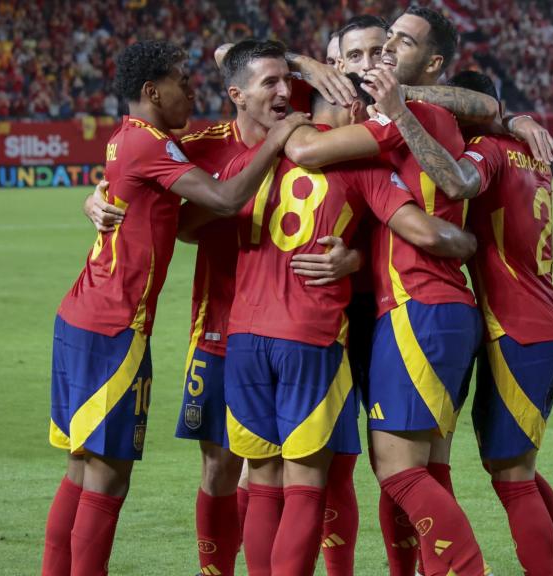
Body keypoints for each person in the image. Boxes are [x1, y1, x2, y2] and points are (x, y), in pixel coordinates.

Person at [84, 39, 363, 576]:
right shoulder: (206, 144)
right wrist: (97, 196)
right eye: (272, 82)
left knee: (315, 471)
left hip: (305, 328)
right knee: (221, 467)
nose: (284, 91)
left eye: (290, 81)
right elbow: (137, 175)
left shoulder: (318, 139)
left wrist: (352, 258)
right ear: (238, 95)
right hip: (219, 328)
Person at [41, 40, 308, 576]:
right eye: (182, 84)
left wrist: (97, 195)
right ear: (151, 91)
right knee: (107, 476)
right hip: (114, 326)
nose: (192, 91)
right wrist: (281, 136)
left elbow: (160, 208)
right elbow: (227, 200)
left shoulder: (130, 138)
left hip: (84, 317)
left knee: (80, 466)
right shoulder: (153, 145)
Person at [217, 71, 478, 576]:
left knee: (262, 481)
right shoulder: (361, 169)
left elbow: (193, 220)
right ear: (351, 110)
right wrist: (467, 245)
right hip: (309, 339)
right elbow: (422, 231)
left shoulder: (249, 160)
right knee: (306, 487)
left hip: (243, 340)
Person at [281, 7, 499, 575]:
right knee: (419, 466)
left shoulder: (398, 119)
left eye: (389, 48)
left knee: (396, 468)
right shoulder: (378, 117)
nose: (373, 61)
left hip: (409, 310)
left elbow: (308, 155)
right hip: (417, 309)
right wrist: (301, 64)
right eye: (354, 56)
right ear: (332, 65)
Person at [367, 67, 553, 576]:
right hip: (540, 323)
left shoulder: (487, 149)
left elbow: (460, 182)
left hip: (516, 327)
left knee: (514, 478)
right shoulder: (528, 154)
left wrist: (403, 111)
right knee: (517, 469)